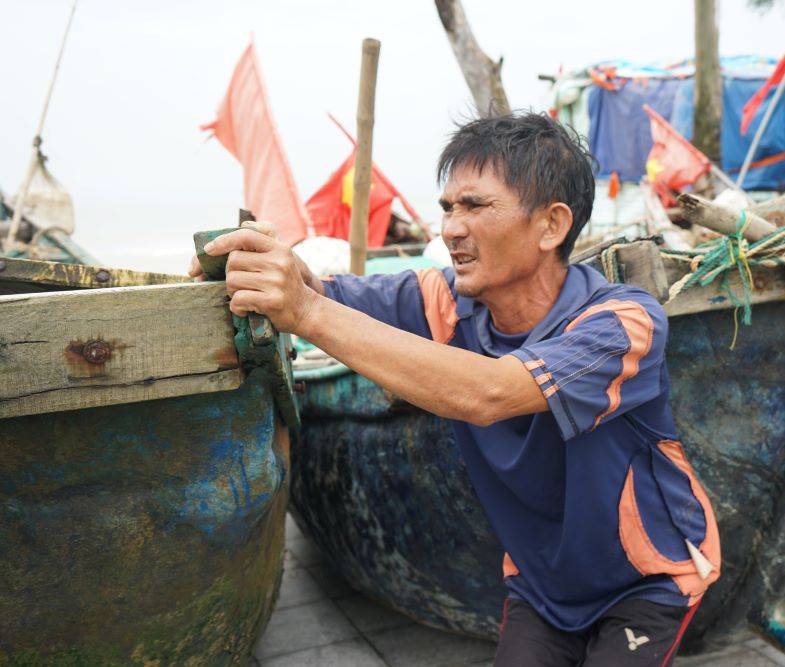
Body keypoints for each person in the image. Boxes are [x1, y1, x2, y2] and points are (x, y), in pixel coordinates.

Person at [193, 112, 720, 666]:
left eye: (475, 205)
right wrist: (258, 266)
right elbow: (330, 292)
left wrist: (304, 311)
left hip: (647, 578)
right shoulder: (445, 300)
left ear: (551, 226)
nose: (450, 228)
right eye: (447, 207)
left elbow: (489, 394)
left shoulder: (620, 324)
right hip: (542, 578)